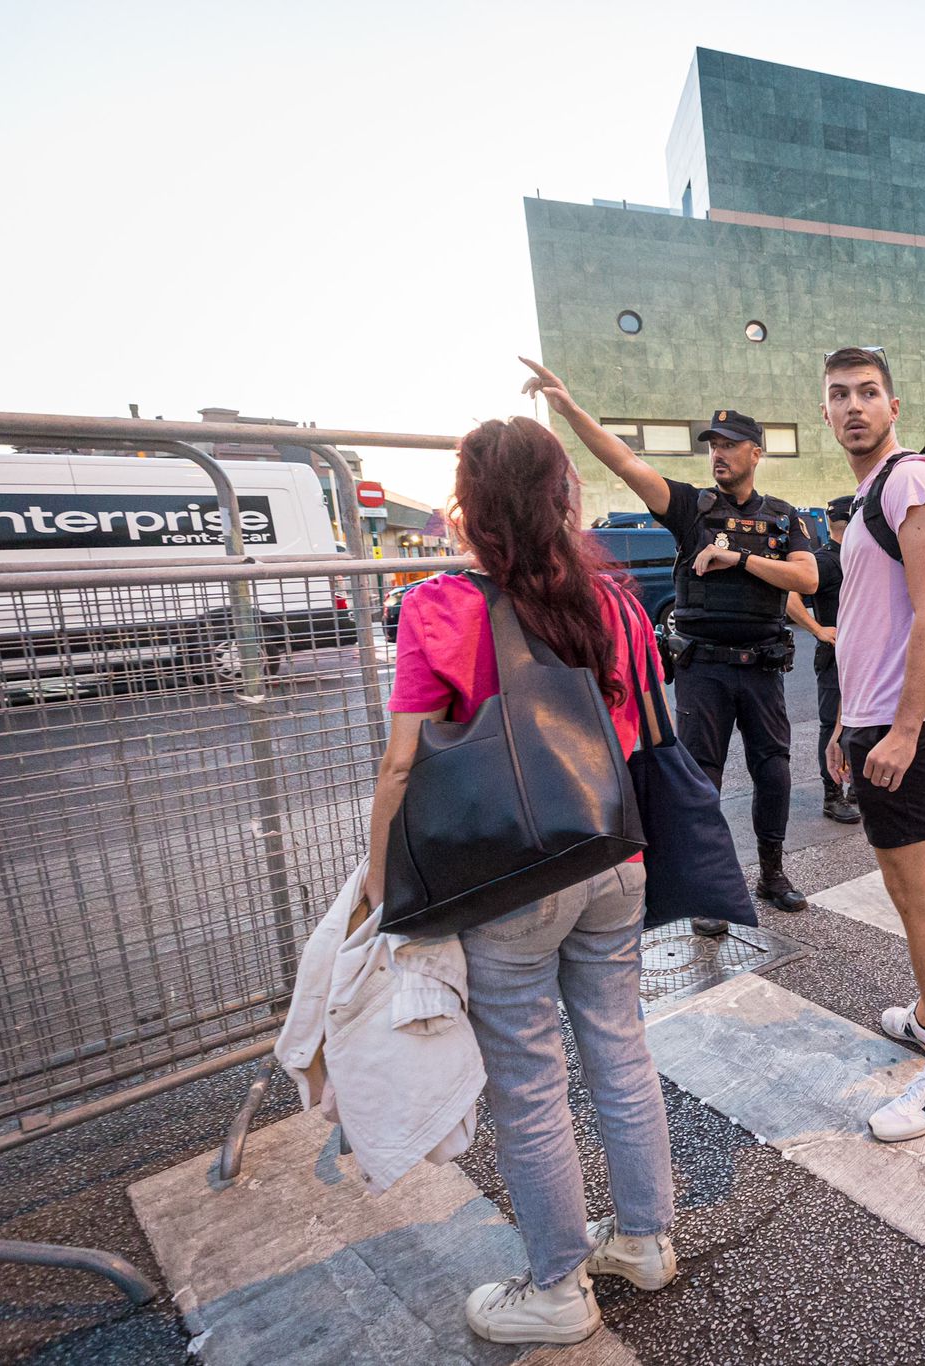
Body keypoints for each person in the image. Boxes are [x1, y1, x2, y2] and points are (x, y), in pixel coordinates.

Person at [364, 417, 675, 1347]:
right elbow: (646, 723)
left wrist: (385, 890)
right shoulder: (610, 598)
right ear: (561, 496)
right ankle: (648, 1242)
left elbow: (401, 768)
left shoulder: (435, 607)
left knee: (530, 1082)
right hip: (616, 855)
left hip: (512, 879)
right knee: (620, 1047)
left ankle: (557, 1287)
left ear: (470, 502)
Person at [519, 359, 819, 935]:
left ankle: (773, 874)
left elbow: (806, 581)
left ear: (757, 453)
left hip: (762, 669)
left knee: (774, 773)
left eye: (731, 445)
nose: (719, 454)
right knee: (701, 781)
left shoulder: (784, 519)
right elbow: (624, 460)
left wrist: (737, 558)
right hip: (703, 668)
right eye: (713, 445)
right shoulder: (691, 509)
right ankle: (707, 890)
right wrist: (569, 408)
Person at [818, 345, 925, 1143]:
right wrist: (846, 726)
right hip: (877, 716)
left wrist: (902, 731)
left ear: (894, 408)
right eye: (840, 395)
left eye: (868, 393)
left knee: (916, 896)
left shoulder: (912, 480)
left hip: (905, 721)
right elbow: (864, 625)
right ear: (826, 412)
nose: (854, 406)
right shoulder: (869, 497)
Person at [787, 494, 860, 824]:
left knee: (865, 722)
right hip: (835, 655)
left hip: (864, 656)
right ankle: (833, 797)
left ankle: (858, 791)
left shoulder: (858, 557)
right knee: (833, 725)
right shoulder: (825, 561)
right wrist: (817, 629)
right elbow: (789, 595)